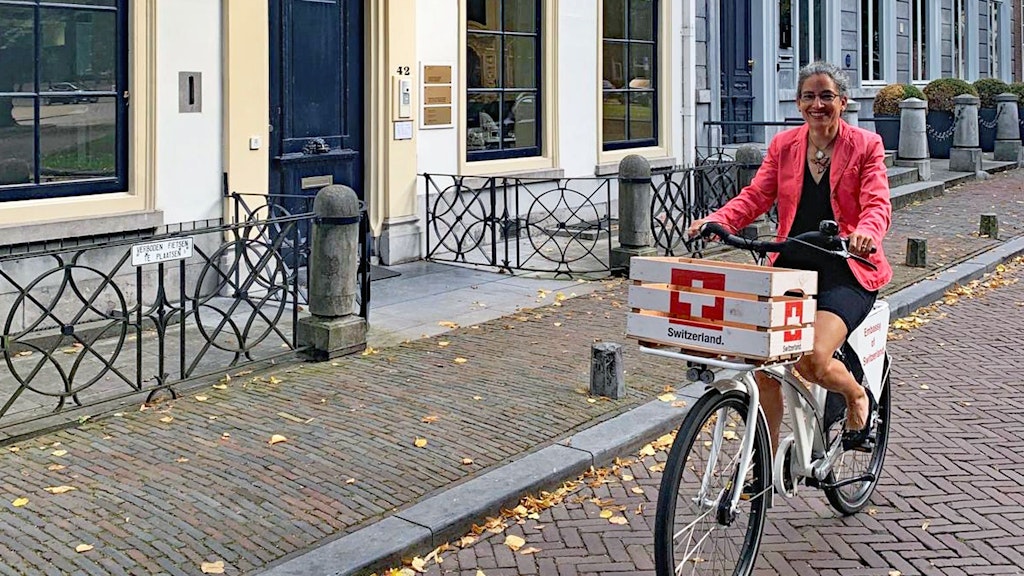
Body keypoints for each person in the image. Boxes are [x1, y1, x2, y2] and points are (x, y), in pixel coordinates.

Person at [687, 61, 893, 453]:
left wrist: (867, 231)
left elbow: (877, 201)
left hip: (846, 270)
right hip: (792, 270)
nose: (818, 104)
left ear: (843, 102)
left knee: (813, 359)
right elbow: (755, 196)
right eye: (810, 96)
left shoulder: (866, 145)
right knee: (763, 364)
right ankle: (760, 459)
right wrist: (717, 219)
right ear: (798, 104)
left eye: (826, 96)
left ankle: (856, 396)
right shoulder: (784, 146)